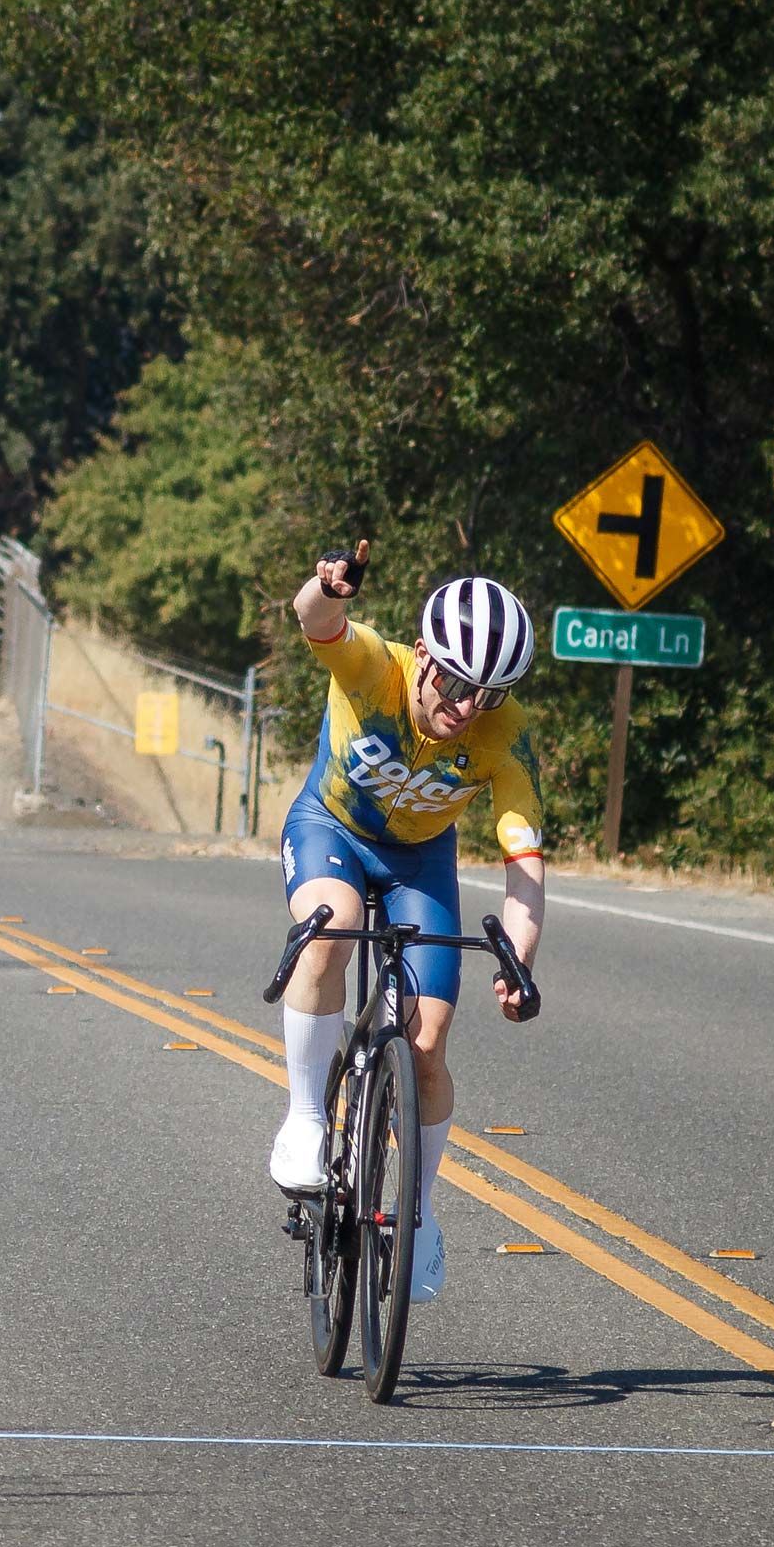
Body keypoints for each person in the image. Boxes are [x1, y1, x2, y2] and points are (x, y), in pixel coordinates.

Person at [272, 538, 546, 1305]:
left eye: (487, 694)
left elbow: (524, 862)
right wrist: (327, 585)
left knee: (426, 1042)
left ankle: (419, 1212)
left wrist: (518, 960)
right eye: (457, 682)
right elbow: (316, 622)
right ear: (423, 654)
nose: (466, 708)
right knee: (332, 926)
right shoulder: (376, 668)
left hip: (421, 861)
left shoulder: (503, 732)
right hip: (331, 828)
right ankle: (303, 1116)